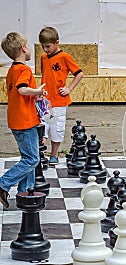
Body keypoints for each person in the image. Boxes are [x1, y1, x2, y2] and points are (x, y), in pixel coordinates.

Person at [0, 32, 47, 208]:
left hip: (17, 119)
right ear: (23, 48)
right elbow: (22, 90)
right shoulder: (24, 69)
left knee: (28, 156)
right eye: (27, 46)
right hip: (24, 121)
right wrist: (38, 92)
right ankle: (3, 184)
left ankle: (25, 193)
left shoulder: (12, 70)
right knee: (32, 160)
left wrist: (34, 97)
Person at [38, 26, 83, 165]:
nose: (45, 50)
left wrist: (69, 89)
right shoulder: (43, 58)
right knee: (43, 126)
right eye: (43, 46)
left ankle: (54, 154)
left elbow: (79, 74)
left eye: (48, 46)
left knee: (56, 129)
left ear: (57, 42)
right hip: (44, 100)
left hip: (59, 101)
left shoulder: (65, 57)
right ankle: (41, 153)